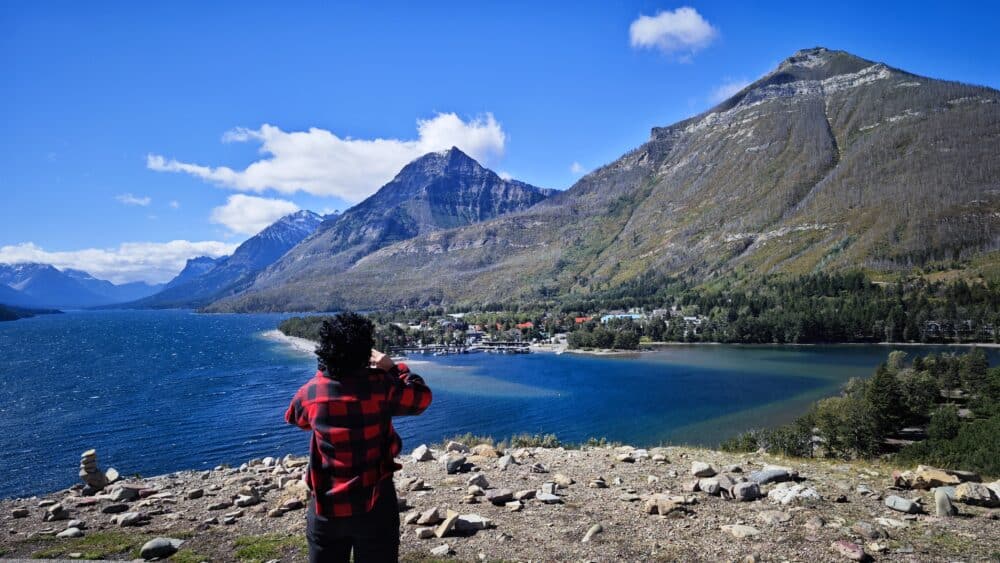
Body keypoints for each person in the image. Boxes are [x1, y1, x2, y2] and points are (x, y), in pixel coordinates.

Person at [285, 312, 432, 563]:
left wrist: (326, 375)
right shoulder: (381, 386)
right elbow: (421, 399)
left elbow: (295, 418)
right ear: (365, 351)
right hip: (376, 502)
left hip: (325, 507)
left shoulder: (312, 391)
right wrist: (394, 368)